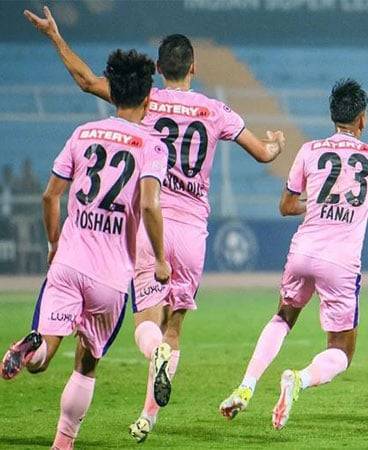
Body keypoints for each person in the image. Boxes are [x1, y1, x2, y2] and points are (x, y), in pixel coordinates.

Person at [25, 6, 286, 442]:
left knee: (146, 320)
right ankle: (149, 415)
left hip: (153, 222)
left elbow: (88, 81)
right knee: (175, 325)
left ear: (158, 69)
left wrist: (55, 37)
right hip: (194, 232)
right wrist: (276, 145)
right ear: (193, 68)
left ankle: (150, 359)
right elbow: (262, 153)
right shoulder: (214, 109)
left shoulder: (144, 99)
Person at [219, 79, 368, 430]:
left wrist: (317, 203)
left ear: (333, 116)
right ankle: (298, 380)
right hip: (340, 263)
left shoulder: (309, 150)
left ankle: (246, 385)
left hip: (303, 251)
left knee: (283, 316)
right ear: (362, 119)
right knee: (342, 351)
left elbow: (285, 206)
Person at [0, 49, 170, 450]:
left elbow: (49, 196)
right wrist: (160, 260)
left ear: (111, 93)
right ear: (148, 98)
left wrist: (54, 242)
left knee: (44, 353)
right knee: (87, 364)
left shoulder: (82, 134)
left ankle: (30, 348)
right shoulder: (152, 145)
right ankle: (63, 444)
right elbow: (148, 204)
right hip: (111, 279)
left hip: (68, 261)